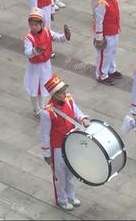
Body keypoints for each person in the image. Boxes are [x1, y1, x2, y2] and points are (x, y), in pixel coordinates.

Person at [40, 75, 90, 210]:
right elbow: (44, 134)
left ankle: (70, 194)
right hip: (57, 147)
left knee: (70, 172)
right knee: (60, 175)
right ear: (54, 95)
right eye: (61, 92)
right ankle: (61, 199)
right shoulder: (47, 112)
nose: (64, 94)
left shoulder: (69, 99)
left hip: (71, 144)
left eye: (64, 91)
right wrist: (46, 154)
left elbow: (77, 112)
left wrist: (83, 118)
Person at [23, 8, 70, 116]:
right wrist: (35, 51)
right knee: (34, 87)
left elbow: (59, 38)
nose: (33, 27)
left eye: (36, 24)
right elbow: (27, 52)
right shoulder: (28, 38)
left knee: (45, 86)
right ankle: (36, 108)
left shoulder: (48, 31)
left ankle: (43, 106)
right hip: (34, 67)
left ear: (41, 23)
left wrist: (65, 36)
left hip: (45, 65)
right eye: (31, 24)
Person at [93, 0, 122, 85]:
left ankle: (111, 69)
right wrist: (99, 37)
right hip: (106, 34)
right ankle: (102, 74)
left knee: (112, 52)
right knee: (104, 54)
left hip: (114, 31)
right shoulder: (102, 3)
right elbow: (98, 22)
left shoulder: (113, 0)